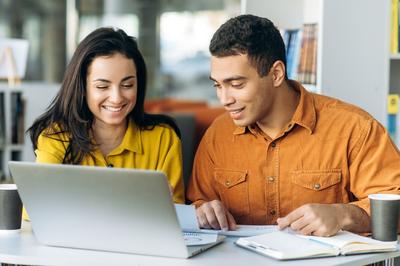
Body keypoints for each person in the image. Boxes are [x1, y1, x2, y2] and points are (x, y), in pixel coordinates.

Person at [186, 14, 400, 236]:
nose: (224, 99)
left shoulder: (355, 129)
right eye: (217, 86)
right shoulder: (217, 135)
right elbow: (197, 202)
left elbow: (394, 205)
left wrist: (342, 215)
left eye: (237, 84)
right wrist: (203, 211)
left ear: (276, 74)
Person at [28, 27, 185, 205]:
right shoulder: (57, 136)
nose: (117, 98)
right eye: (102, 87)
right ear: (82, 88)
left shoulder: (163, 138)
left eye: (127, 85)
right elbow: (35, 210)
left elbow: (176, 215)